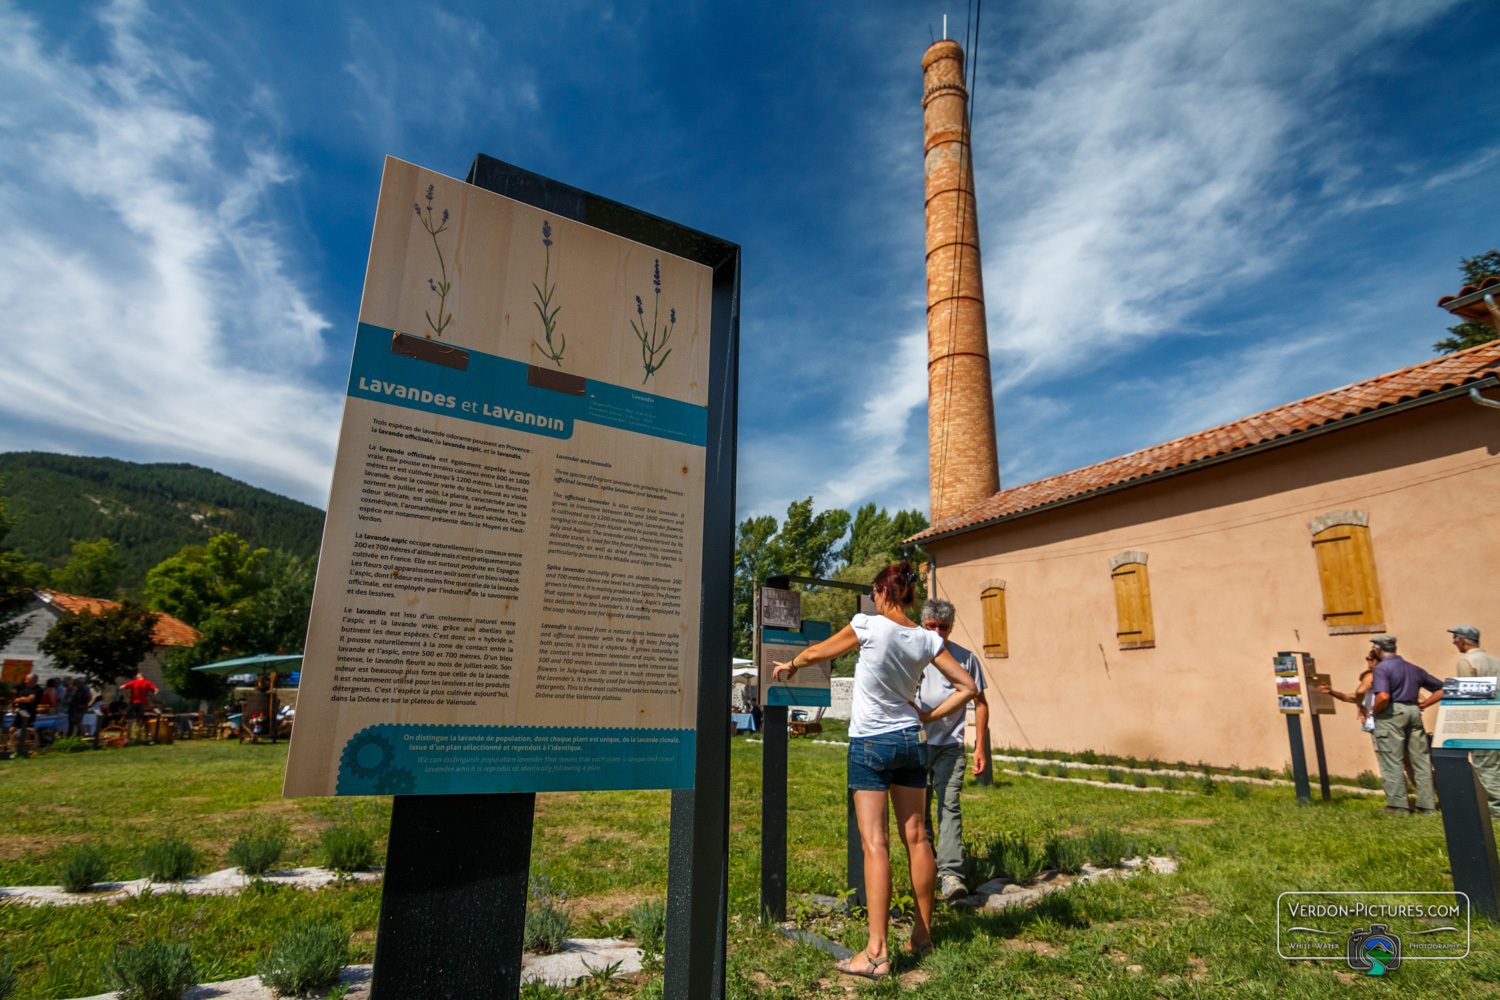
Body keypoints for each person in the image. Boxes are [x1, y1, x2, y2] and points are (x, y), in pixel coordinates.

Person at [772, 562, 977, 978]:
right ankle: (922, 935)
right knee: (917, 838)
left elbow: (817, 652)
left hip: (871, 743)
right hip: (911, 742)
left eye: (875, 591)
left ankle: (877, 952)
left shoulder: (867, 624)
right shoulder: (925, 638)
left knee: (875, 843)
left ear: (884, 591)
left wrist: (790, 664)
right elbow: (969, 688)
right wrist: (928, 716)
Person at [914, 597, 989, 901]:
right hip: (916, 743)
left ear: (950, 628)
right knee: (918, 812)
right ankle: (925, 869)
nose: (936, 632)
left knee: (949, 806)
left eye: (942, 628)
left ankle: (951, 876)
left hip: (950, 745)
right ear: (923, 624)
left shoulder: (965, 658)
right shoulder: (911, 655)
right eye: (931, 626)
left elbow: (980, 704)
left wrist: (980, 747)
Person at [1369, 635, 1443, 814]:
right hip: (1413, 711)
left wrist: (1375, 711)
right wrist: (1425, 704)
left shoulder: (1381, 669)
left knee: (1391, 759)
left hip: (1392, 712)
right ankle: (1427, 805)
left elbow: (1383, 696)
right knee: (1421, 760)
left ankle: (1397, 805)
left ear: (1378, 650)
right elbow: (1443, 688)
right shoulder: (1413, 668)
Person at [1449, 626, 1500, 822]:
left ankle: (1495, 811)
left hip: (1483, 720)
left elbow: (1468, 697)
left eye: (1455, 639)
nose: (1454, 643)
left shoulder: (1466, 661)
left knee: (1485, 766)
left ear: (1463, 640)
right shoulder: (1495, 660)